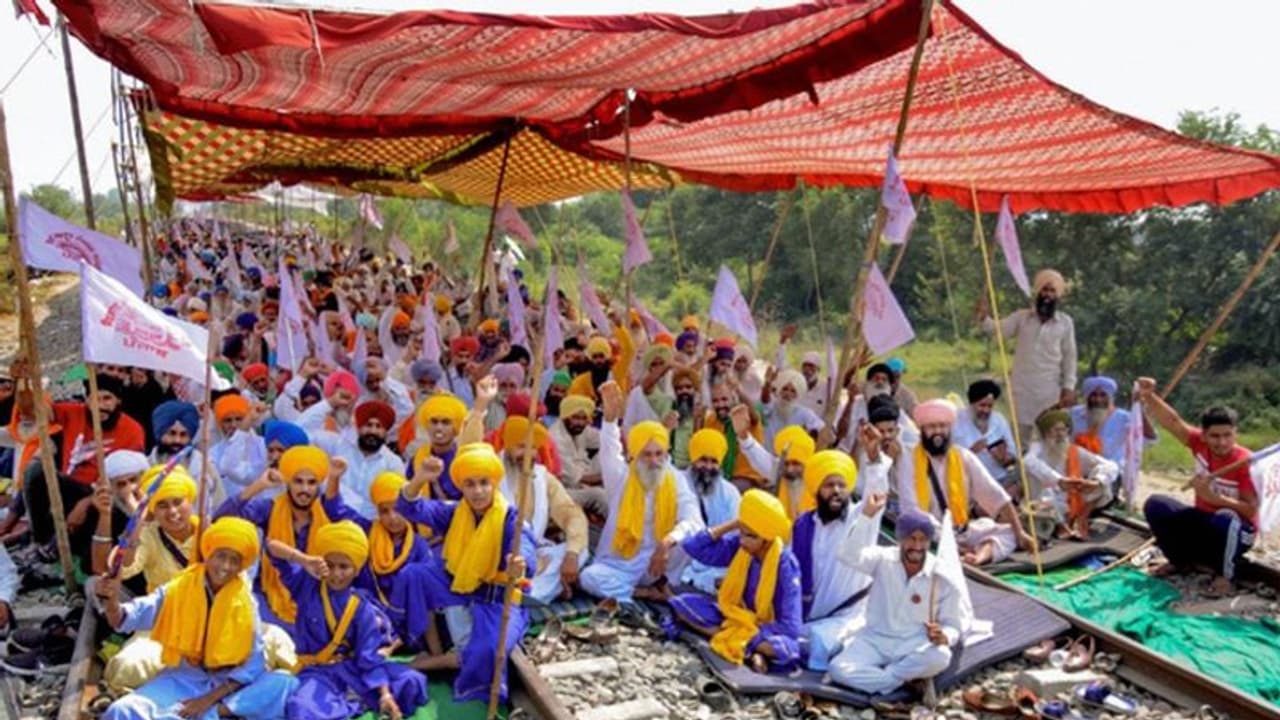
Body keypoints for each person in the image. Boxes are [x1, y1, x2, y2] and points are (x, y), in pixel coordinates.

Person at [94, 517, 298, 720]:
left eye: (234, 560)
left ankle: (216, 713)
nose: (225, 566)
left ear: (241, 565)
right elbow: (123, 620)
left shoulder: (245, 603)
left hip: (228, 687)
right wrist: (111, 601)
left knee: (285, 682)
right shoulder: (178, 589)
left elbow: (253, 665)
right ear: (208, 554)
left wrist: (208, 701)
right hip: (184, 677)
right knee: (123, 709)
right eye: (221, 556)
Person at [394, 445, 535, 703]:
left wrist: (518, 564)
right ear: (462, 487)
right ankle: (424, 646)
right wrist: (420, 478)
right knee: (414, 574)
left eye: (483, 483)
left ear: (494, 484)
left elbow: (524, 549)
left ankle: (461, 681)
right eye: (470, 484)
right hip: (460, 584)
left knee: (489, 649)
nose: (478, 491)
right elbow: (409, 508)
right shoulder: (456, 511)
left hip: (498, 596)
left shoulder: (511, 518)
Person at [271, 521, 428, 720]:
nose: (336, 574)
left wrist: (385, 694)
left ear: (356, 569)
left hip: (353, 669)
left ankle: (351, 700)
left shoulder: (361, 607)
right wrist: (303, 559)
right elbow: (271, 547)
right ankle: (350, 701)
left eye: (344, 567)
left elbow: (368, 656)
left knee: (411, 681)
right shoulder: (305, 585)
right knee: (302, 708)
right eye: (330, 565)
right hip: (318, 672)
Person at [578, 383, 703, 603]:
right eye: (647, 455)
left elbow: (693, 519)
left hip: (660, 562)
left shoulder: (675, 478)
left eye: (659, 454)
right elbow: (609, 450)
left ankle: (659, 584)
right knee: (589, 578)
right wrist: (609, 419)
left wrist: (667, 543)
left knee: (693, 538)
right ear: (635, 454)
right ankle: (644, 594)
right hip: (623, 562)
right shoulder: (621, 477)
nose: (654, 461)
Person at [1136, 378, 1258, 595]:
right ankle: (1179, 562)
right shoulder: (1199, 444)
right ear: (1204, 435)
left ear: (1235, 433)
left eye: (1227, 435)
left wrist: (1214, 499)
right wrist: (1149, 396)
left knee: (1226, 518)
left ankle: (1226, 576)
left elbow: (1251, 510)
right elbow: (1173, 422)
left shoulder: (1245, 462)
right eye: (1215, 436)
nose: (1221, 442)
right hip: (1205, 522)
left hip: (1237, 531)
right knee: (1157, 505)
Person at [213, 446, 356, 630]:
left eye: (311, 483)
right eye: (298, 481)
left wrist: (334, 478)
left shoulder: (328, 511)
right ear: (287, 482)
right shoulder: (270, 509)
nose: (304, 490)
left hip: (316, 596)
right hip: (269, 595)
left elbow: (342, 514)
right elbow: (222, 518)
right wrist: (260, 485)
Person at [829, 505, 964, 698]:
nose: (917, 546)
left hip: (912, 644)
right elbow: (847, 555)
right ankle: (902, 681)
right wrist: (866, 517)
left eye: (923, 540)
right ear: (900, 538)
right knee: (837, 669)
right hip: (874, 640)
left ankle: (884, 678)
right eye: (911, 538)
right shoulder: (883, 558)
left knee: (941, 657)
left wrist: (944, 636)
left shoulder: (940, 573)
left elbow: (953, 625)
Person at [15, 368, 146, 561]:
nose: (101, 406)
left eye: (107, 399)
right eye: (95, 399)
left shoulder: (132, 430)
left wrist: (86, 502)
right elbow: (32, 411)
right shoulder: (73, 413)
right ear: (86, 400)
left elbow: (128, 482)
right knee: (36, 471)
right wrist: (23, 383)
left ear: (118, 401)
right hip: (71, 486)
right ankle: (41, 542)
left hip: (105, 494)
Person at [670, 490, 802, 673]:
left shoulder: (786, 564)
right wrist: (734, 523)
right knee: (682, 604)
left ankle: (735, 642)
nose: (743, 540)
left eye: (751, 536)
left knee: (786, 649)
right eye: (742, 533)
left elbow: (792, 627)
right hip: (735, 618)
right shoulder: (740, 547)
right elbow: (694, 547)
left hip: (766, 629)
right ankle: (747, 650)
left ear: (766, 539)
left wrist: (752, 632)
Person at [896, 400, 1033, 566]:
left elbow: (997, 496)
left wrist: (1020, 533)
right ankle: (962, 553)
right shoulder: (909, 459)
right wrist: (947, 541)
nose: (938, 432)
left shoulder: (963, 456)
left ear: (949, 429)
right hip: (927, 536)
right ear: (922, 430)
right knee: (918, 530)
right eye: (932, 427)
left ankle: (978, 558)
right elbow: (911, 511)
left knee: (1010, 532)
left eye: (942, 426)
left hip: (961, 530)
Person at [792, 445, 892, 672]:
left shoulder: (861, 518)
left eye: (842, 485)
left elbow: (876, 493)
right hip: (810, 613)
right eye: (829, 485)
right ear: (816, 490)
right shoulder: (803, 525)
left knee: (819, 642)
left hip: (849, 614)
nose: (836, 490)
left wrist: (874, 457)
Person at [484, 416, 590, 602]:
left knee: (579, 550)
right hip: (499, 552)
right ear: (507, 446)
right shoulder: (490, 473)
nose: (528, 454)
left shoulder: (542, 477)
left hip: (536, 552)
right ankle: (541, 591)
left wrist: (572, 554)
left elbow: (570, 513)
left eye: (532, 447)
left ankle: (528, 594)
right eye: (521, 446)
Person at [981, 269, 1077, 442]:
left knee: (1048, 437)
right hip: (1022, 390)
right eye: (1044, 289)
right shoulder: (1022, 318)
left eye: (1052, 290)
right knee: (1019, 439)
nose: (1047, 294)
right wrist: (983, 317)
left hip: (1050, 392)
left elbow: (1070, 357)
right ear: (1037, 291)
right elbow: (997, 329)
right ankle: (1020, 469)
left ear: (1058, 295)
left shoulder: (1065, 323)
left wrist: (1069, 387)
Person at [1024, 409, 1118, 540]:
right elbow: (1029, 461)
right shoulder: (1039, 448)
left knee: (1103, 482)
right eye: (1055, 430)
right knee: (1046, 491)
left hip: (1073, 502)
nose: (1060, 434)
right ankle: (1061, 526)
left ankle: (1081, 520)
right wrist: (1059, 481)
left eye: (1063, 429)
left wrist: (1095, 482)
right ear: (1045, 433)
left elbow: (1111, 466)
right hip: (1047, 506)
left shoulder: (1072, 450)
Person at [313, 400, 404, 520]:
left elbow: (391, 503)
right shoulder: (338, 445)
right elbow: (303, 431)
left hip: (368, 525)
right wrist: (330, 402)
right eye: (368, 425)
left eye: (379, 426)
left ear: (386, 431)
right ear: (359, 427)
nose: (373, 431)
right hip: (327, 517)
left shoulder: (393, 463)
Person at [677, 429, 742, 593]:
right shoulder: (677, 483)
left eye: (714, 461)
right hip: (680, 558)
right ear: (693, 459)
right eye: (703, 460)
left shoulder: (730, 493)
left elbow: (735, 537)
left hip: (715, 565)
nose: (708, 467)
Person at [1069, 375, 1156, 488]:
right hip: (1075, 471)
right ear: (1087, 397)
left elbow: (1150, 438)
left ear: (1110, 397)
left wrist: (1139, 409)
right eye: (1093, 395)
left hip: (1109, 475)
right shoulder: (1073, 414)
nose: (1098, 399)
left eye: (1103, 395)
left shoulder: (1124, 418)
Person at [547, 394, 609, 518]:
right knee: (599, 495)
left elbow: (605, 438)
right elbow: (578, 479)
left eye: (583, 418)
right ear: (565, 416)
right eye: (575, 417)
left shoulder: (580, 429)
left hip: (583, 474)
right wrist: (609, 476)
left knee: (609, 452)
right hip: (564, 489)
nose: (579, 422)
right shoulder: (556, 438)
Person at [951, 380, 1018, 491]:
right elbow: (948, 460)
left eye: (990, 406)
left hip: (999, 479)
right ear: (971, 403)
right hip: (969, 482)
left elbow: (1012, 457)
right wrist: (971, 452)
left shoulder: (999, 420)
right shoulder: (956, 421)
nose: (986, 410)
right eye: (982, 405)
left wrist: (1003, 458)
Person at [740, 424, 816, 521]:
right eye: (786, 464)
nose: (790, 469)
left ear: (806, 461)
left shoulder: (818, 480)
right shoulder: (780, 471)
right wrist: (744, 436)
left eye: (796, 464)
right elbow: (758, 456)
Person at [702, 383, 766, 492]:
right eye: (715, 401)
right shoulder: (711, 421)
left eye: (724, 399)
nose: (720, 404)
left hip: (747, 477)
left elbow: (754, 415)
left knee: (727, 490)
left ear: (733, 398)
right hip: (718, 475)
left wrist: (738, 390)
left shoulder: (745, 415)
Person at [761, 369, 824, 449]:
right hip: (766, 456)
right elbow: (764, 400)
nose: (788, 394)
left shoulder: (804, 413)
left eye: (793, 391)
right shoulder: (771, 407)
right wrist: (767, 384)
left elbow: (822, 430)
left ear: (798, 394)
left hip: (790, 459)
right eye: (785, 389)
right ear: (779, 390)